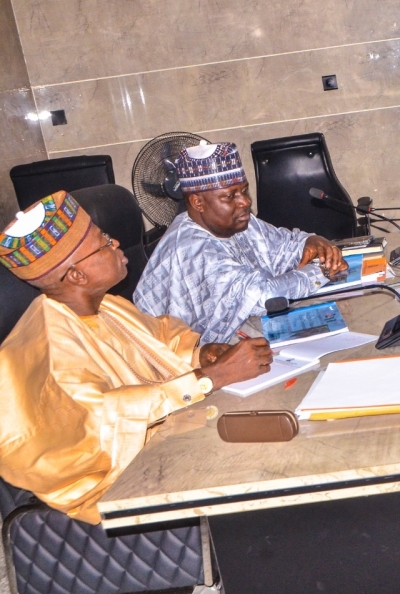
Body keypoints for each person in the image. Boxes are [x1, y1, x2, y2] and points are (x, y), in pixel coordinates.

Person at [0, 191, 272, 523]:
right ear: (75, 276)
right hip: (111, 484)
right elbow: (102, 419)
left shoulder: (103, 305)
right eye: (103, 244)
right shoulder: (50, 346)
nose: (116, 243)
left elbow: (160, 340)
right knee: (260, 464)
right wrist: (213, 378)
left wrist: (204, 354)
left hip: (161, 440)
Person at [134, 142, 348, 344]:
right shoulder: (191, 248)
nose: (245, 202)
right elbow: (264, 297)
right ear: (198, 202)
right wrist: (324, 270)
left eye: (244, 191)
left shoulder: (234, 220)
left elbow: (283, 246)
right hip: (189, 365)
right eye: (230, 196)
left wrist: (312, 241)